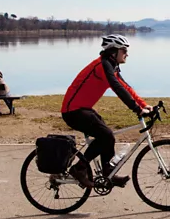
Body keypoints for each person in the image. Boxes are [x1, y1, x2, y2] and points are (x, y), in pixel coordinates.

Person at [60, 35, 151, 188]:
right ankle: (79, 168)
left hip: (83, 109)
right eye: (124, 50)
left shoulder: (110, 66)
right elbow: (117, 88)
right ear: (113, 52)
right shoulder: (102, 66)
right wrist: (136, 109)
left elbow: (126, 87)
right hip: (73, 111)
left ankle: (107, 173)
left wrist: (144, 105)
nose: (127, 54)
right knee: (106, 134)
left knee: (108, 136)